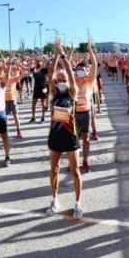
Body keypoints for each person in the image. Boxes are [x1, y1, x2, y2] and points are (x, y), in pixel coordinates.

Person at [46, 40, 83, 219]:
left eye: (63, 80)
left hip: (70, 137)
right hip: (55, 137)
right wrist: (55, 56)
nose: (61, 82)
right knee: (54, 169)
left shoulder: (72, 92)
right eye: (58, 80)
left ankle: (78, 203)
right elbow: (50, 73)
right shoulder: (53, 93)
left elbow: (69, 73)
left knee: (75, 171)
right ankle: (54, 199)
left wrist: (64, 57)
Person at [74, 40, 99, 173]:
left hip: (86, 113)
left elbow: (94, 65)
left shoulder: (89, 81)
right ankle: (75, 161)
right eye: (78, 70)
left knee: (86, 139)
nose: (80, 73)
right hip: (75, 113)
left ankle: (85, 161)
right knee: (74, 139)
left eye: (82, 70)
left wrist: (90, 50)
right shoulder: (73, 82)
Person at [2, 59, 24, 139]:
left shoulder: (10, 78)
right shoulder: (5, 78)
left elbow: (23, 74)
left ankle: (18, 132)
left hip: (11, 100)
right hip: (6, 100)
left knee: (13, 117)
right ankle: (16, 132)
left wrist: (17, 65)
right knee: (8, 117)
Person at [29, 58, 49, 123]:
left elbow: (49, 66)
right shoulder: (33, 69)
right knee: (33, 104)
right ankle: (33, 117)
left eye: (40, 61)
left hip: (43, 88)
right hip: (36, 88)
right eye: (37, 61)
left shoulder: (44, 69)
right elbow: (34, 72)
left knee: (43, 104)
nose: (39, 62)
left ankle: (43, 117)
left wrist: (46, 60)